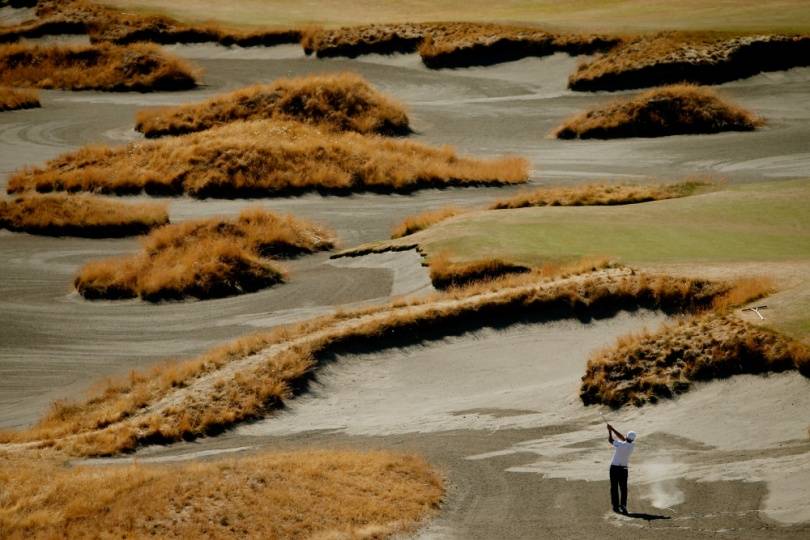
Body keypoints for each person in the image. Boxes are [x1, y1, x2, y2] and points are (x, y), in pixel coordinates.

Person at [607, 423, 636, 514]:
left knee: (614, 487)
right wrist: (613, 429)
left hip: (614, 468)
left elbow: (610, 440)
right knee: (623, 488)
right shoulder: (632, 446)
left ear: (627, 436)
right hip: (624, 469)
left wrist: (610, 431)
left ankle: (616, 506)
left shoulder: (620, 444)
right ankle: (623, 505)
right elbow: (623, 438)